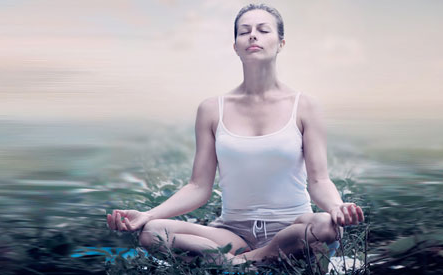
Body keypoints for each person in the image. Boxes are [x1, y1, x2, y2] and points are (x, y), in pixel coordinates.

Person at [106, 3, 364, 265]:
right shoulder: (211, 109)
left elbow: (319, 180)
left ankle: (240, 263)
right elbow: (198, 187)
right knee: (151, 234)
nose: (253, 35)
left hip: (291, 229)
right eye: (244, 31)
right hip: (231, 232)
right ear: (235, 47)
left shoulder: (306, 106)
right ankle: (253, 261)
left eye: (263, 30)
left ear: (281, 43)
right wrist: (148, 215)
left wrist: (336, 208)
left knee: (328, 227)